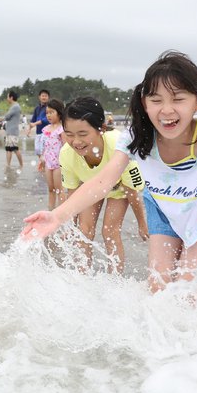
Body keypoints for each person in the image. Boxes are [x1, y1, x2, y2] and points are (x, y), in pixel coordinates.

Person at [23, 51, 197, 293]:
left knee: (191, 294)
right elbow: (104, 179)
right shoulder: (138, 138)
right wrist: (57, 216)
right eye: (156, 100)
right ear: (144, 102)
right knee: (158, 290)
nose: (166, 110)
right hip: (162, 212)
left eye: (178, 99)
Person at [57, 96, 148, 274]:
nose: (76, 141)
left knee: (109, 231)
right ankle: (82, 275)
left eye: (83, 134)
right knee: (83, 230)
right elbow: (72, 192)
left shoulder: (119, 146)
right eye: (69, 134)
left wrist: (141, 223)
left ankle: (115, 278)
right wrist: (66, 224)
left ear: (102, 129)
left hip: (120, 188)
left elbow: (132, 190)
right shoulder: (66, 154)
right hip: (91, 187)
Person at [39, 98, 66, 210]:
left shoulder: (61, 129)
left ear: (59, 113)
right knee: (51, 189)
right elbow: (45, 146)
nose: (48, 115)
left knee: (59, 189)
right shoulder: (46, 129)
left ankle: (61, 214)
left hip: (58, 163)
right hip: (48, 162)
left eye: (51, 112)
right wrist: (41, 158)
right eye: (47, 113)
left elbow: (65, 147)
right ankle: (50, 212)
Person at [27, 89, 50, 165]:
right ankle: (43, 163)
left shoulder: (49, 107)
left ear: (48, 97)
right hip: (38, 132)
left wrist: (35, 123)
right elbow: (33, 120)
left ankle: (45, 165)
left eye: (46, 96)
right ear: (39, 97)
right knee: (37, 150)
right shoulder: (37, 108)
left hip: (46, 132)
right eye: (42, 96)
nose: (44, 97)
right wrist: (29, 130)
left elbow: (46, 119)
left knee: (44, 150)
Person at [2, 91, 24, 168]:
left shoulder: (15, 106)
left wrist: (4, 116)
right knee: (8, 148)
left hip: (12, 131)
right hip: (10, 131)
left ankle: (21, 165)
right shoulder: (14, 106)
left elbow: (7, 116)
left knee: (14, 148)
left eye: (8, 97)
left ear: (11, 97)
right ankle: (8, 165)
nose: (7, 99)